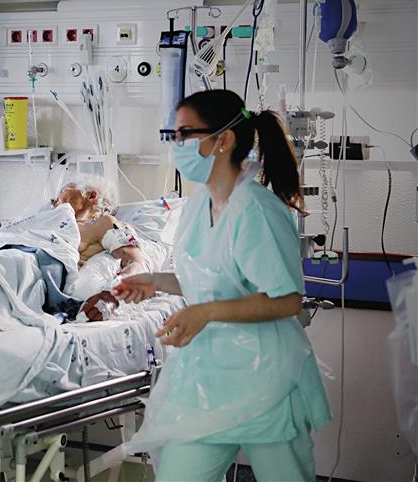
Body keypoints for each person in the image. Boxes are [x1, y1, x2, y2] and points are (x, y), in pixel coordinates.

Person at [110, 89, 332, 481]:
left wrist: (205, 312)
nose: (176, 145)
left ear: (223, 140)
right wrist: (155, 281)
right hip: (210, 377)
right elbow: (211, 280)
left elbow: (286, 300)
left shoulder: (257, 210)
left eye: (184, 134)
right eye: (173, 135)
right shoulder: (198, 205)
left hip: (267, 377)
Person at [52, 181, 148, 277]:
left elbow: (136, 262)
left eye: (64, 190)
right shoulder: (55, 220)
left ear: (92, 196)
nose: (54, 200)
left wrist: (125, 277)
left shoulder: (102, 223)